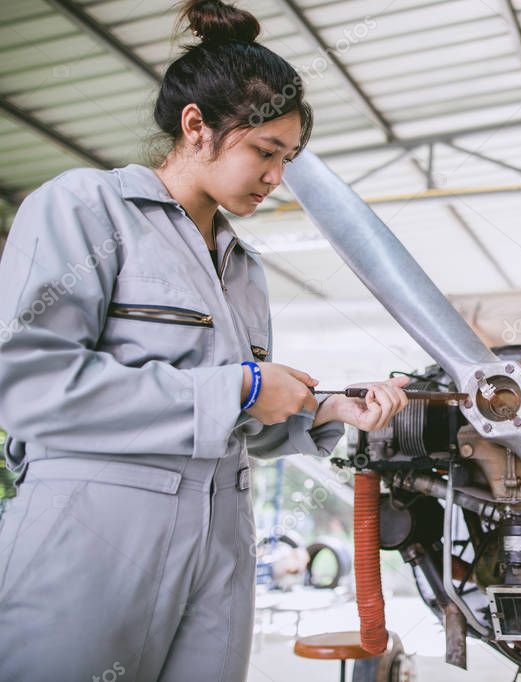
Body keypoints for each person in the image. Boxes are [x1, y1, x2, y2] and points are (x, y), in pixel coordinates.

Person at [0, 1, 408, 679]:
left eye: (289, 158)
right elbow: (29, 387)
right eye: (265, 152)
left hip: (222, 538)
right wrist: (243, 384)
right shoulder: (84, 208)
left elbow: (236, 422)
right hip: (94, 530)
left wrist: (325, 408)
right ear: (197, 127)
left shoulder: (241, 264)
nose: (278, 178)